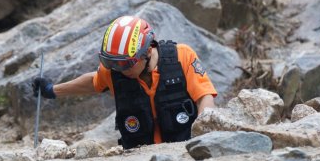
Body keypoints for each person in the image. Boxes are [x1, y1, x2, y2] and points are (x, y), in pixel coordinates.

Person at [32, 15, 216, 149]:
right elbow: (93, 82)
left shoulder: (181, 56)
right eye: (110, 62)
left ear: (148, 52)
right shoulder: (114, 70)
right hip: (138, 160)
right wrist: (51, 90)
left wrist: (203, 138)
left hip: (183, 149)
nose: (118, 69)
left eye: (126, 63)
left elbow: (204, 98)